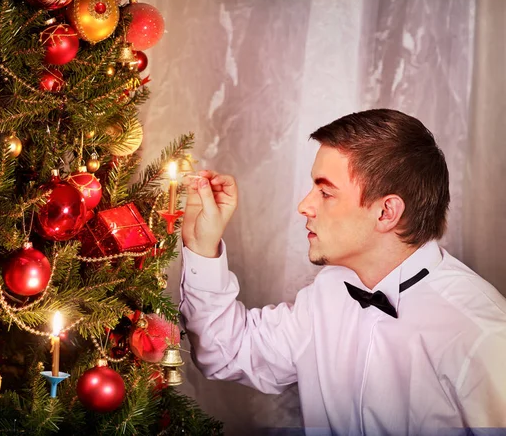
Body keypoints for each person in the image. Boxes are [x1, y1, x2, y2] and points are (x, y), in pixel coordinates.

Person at [179, 109, 506, 435]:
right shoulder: (328, 291)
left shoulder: (484, 337)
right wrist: (201, 246)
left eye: (325, 192)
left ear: (385, 212)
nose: (304, 206)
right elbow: (227, 353)